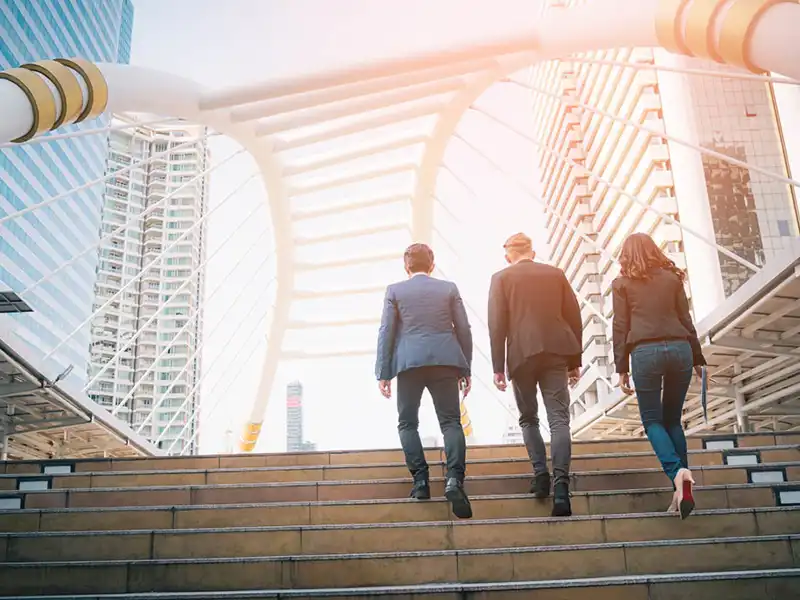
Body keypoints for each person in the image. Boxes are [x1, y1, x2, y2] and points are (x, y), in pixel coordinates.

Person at [611, 232, 707, 520]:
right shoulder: (672, 279)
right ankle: (680, 491)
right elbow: (686, 319)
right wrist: (698, 358)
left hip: (645, 353)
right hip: (680, 349)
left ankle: (679, 475)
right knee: (673, 420)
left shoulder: (621, 284)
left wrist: (621, 367)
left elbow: (620, 326)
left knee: (652, 421)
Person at [375, 243, 474, 519]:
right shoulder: (449, 288)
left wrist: (383, 372)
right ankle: (454, 480)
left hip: (409, 364)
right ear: (432, 265)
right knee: (451, 422)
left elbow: (387, 331)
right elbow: (464, 328)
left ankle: (421, 481)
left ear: (406, 266)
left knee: (407, 422)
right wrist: (465, 366)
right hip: (445, 361)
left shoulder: (395, 291)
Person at [488, 233, 582, 517]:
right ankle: (562, 486)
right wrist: (574, 361)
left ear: (508, 255)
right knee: (559, 419)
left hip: (521, 354)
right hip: (556, 352)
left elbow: (497, 325)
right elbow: (574, 316)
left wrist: (497, 367)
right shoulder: (556, 274)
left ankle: (541, 476)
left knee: (529, 418)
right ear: (533, 251)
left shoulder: (501, 278)